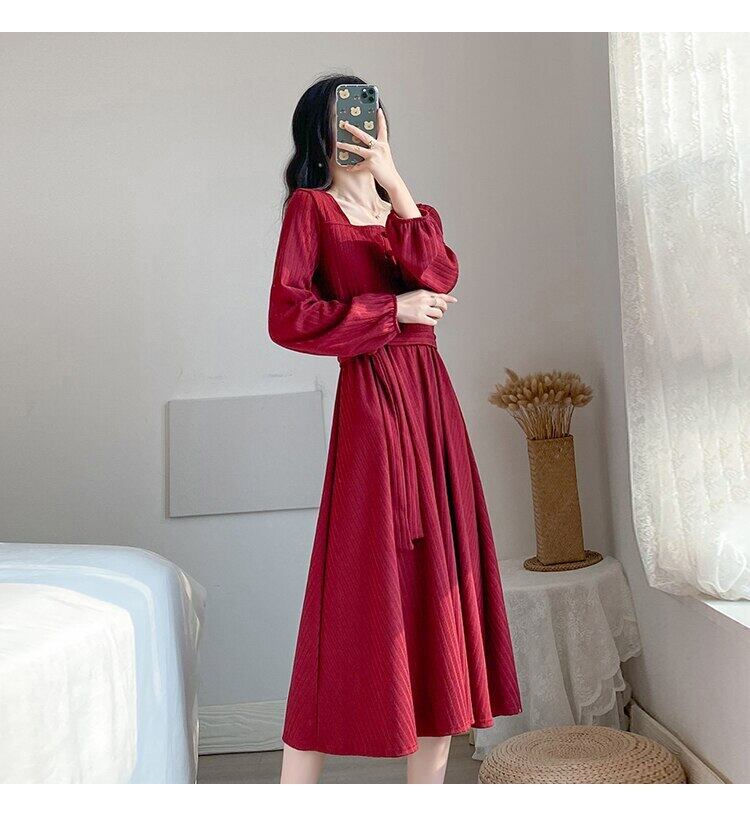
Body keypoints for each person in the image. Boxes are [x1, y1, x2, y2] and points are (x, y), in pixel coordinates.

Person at [268, 74, 521, 784]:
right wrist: (392, 312)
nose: (359, 125)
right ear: (320, 132)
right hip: (374, 405)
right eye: (343, 116)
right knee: (363, 578)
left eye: (369, 114)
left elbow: (439, 274)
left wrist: (395, 182)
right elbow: (287, 315)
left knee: (438, 587)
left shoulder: (414, 214)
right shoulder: (311, 210)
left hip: (433, 408)